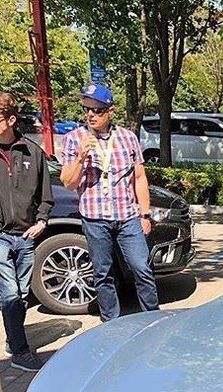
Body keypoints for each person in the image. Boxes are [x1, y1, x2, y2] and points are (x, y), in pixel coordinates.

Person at [60, 82, 158, 322]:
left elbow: (139, 178)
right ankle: (110, 323)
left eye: (98, 110)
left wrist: (145, 215)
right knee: (103, 273)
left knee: (141, 268)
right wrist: (81, 157)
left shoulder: (127, 138)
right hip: (94, 218)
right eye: (87, 109)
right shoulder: (74, 139)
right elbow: (68, 183)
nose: (91, 115)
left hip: (127, 216)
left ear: (110, 111)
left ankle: (154, 319)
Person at [0, 92, 53, 372]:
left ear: (10, 119)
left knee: (20, 295)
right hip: (0, 238)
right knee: (8, 293)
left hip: (26, 236)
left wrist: (42, 220)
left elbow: (46, 195)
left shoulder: (33, 152)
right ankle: (20, 352)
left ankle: (13, 337)